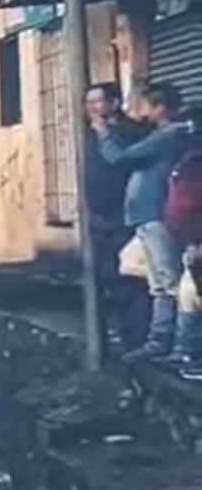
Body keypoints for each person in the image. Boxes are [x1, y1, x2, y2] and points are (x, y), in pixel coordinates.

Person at [93, 81, 194, 361]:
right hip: (148, 215)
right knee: (160, 280)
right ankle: (163, 342)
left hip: (156, 214)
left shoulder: (168, 135)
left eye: (144, 104)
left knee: (167, 281)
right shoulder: (165, 134)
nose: (138, 110)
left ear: (160, 107)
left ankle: (175, 346)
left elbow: (119, 158)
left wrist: (103, 134)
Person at [87, 83, 149, 350]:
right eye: (88, 102)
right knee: (109, 278)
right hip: (99, 217)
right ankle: (121, 335)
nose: (91, 108)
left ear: (113, 103)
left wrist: (104, 135)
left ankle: (137, 337)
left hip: (124, 215)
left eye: (97, 101)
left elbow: (122, 162)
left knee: (131, 279)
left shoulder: (132, 133)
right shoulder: (90, 134)